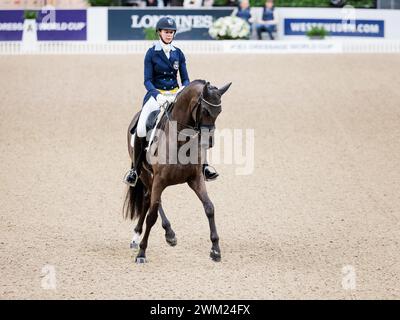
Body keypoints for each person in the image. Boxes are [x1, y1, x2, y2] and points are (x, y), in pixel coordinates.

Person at [123, 17, 219, 187]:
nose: (169, 35)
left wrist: (184, 90)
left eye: (171, 32)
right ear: (159, 33)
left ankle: (204, 166)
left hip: (175, 95)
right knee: (140, 127)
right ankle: (135, 170)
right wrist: (157, 94)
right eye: (166, 32)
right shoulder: (151, 53)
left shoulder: (178, 53)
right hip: (156, 96)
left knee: (195, 123)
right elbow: (147, 80)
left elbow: (186, 79)